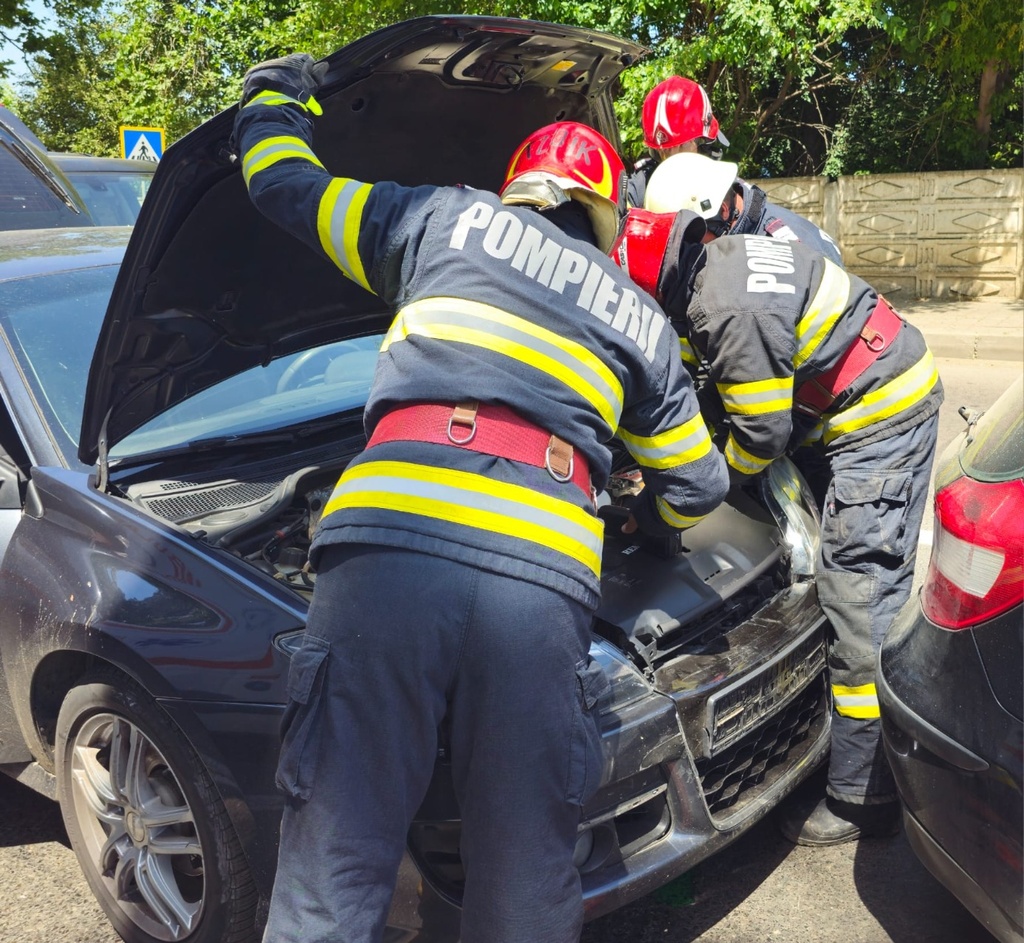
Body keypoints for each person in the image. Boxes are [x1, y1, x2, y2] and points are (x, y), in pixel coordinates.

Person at [234, 54, 729, 943]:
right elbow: (699, 484)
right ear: (608, 214)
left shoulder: (439, 220)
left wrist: (273, 95)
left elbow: (282, 186)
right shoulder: (639, 317)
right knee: (525, 876)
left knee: (332, 869)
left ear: (519, 189)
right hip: (537, 589)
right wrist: (642, 521)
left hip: (386, 552)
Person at [610, 207, 943, 845]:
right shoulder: (714, 267)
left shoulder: (729, 312)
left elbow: (759, 440)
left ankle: (863, 795)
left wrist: (670, 503)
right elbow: (702, 387)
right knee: (837, 575)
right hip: (852, 397)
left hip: (880, 419)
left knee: (858, 592)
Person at [644, 151, 844, 265]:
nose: (684, 250)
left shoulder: (786, 252)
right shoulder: (747, 232)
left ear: (722, 211)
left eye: (689, 237)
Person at [628, 75, 729, 208]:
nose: (668, 158)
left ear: (701, 143)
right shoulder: (640, 186)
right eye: (662, 151)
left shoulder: (725, 187)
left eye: (680, 147)